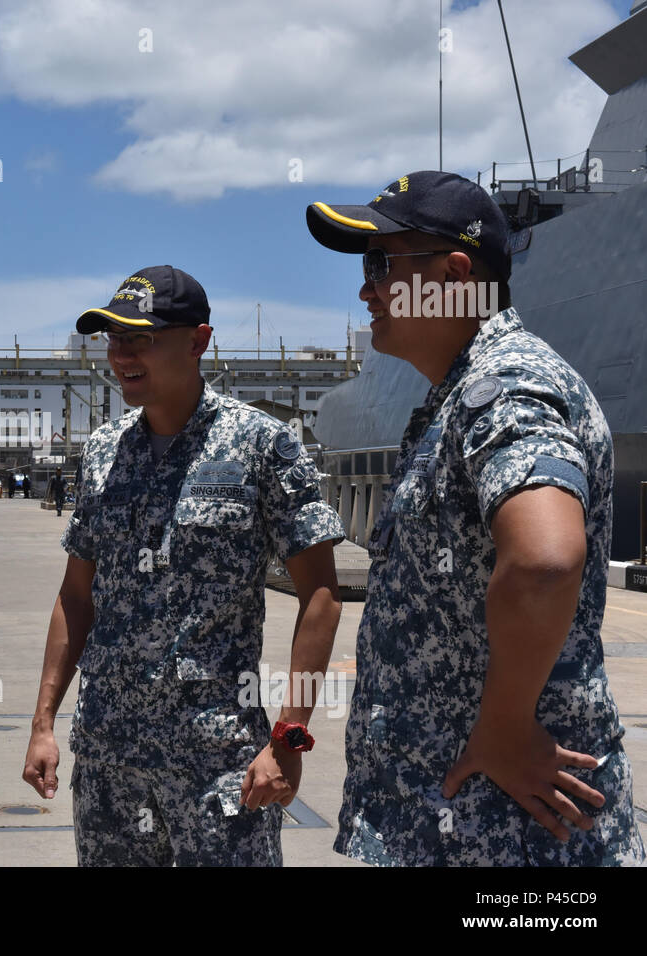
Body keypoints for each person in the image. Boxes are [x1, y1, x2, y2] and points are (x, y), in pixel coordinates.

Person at [306, 170, 645, 866]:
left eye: (382, 264)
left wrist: (501, 729)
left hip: (504, 835)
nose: (365, 289)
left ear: (455, 273)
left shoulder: (506, 385)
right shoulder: (459, 395)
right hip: (461, 826)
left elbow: (545, 559)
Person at [21, 265, 345, 866]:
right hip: (108, 756)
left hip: (218, 761)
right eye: (113, 340)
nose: (120, 355)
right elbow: (75, 597)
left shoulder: (260, 445)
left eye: (139, 338)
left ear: (198, 340)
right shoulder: (103, 453)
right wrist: (44, 723)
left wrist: (290, 736)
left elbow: (320, 596)